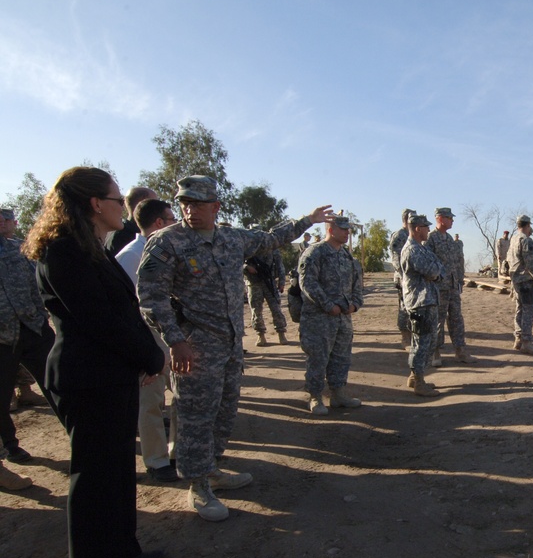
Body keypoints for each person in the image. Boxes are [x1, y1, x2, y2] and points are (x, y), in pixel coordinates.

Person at [138, 175, 334, 522]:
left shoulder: (231, 237)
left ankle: (211, 470)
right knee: (196, 416)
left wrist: (309, 219)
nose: (190, 210)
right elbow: (150, 298)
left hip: (230, 344)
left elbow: (272, 239)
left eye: (198, 203)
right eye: (185, 203)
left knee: (225, 412)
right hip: (195, 347)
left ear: (215, 206)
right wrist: (175, 340)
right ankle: (197, 487)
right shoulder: (167, 242)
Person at [25, 166, 166, 558]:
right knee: (94, 479)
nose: (122, 204)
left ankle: (123, 551)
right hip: (86, 377)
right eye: (116, 197)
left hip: (109, 374)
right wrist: (148, 356)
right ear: (94, 204)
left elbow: (125, 311)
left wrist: (144, 357)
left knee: (117, 469)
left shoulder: (92, 246)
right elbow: (99, 319)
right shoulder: (63, 250)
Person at [115, 198, 179, 483]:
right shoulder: (130, 257)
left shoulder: (171, 248)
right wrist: (142, 353)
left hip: (175, 334)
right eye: (171, 217)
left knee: (183, 397)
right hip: (149, 337)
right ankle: (156, 460)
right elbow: (126, 309)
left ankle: (179, 452)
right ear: (158, 223)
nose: (177, 221)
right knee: (151, 402)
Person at [0, 207, 57, 487]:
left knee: (58, 382)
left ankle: (81, 433)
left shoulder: (18, 248)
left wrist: (40, 315)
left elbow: (37, 281)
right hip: (2, 338)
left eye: (5, 217)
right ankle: (9, 448)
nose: (2, 222)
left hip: (33, 329)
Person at [299, 215, 364, 414]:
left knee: (341, 357)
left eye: (348, 229)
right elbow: (308, 283)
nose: (347, 233)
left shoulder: (346, 256)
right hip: (319, 318)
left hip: (343, 318)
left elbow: (357, 284)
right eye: (342, 229)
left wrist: (355, 304)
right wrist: (328, 305)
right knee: (318, 358)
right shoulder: (314, 253)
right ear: (330, 229)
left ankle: (338, 394)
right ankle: (315, 397)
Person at [425, 207, 476, 365]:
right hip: (438, 288)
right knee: (437, 321)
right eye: (449, 218)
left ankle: (460, 350)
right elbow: (427, 264)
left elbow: (457, 262)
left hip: (453, 287)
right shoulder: (430, 239)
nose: (452, 220)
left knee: (456, 319)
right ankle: (435, 352)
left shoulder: (449, 240)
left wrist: (460, 280)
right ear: (440, 218)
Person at [400, 214, 444, 396]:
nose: (428, 230)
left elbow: (439, 265)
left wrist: (436, 270)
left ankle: (415, 377)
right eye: (425, 227)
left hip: (427, 301)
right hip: (420, 303)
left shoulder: (421, 248)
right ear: (417, 228)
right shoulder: (413, 250)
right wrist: (435, 270)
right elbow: (434, 270)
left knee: (426, 341)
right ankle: (419, 382)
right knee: (422, 343)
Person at [243, 226, 288, 347]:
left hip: (269, 282)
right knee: (256, 310)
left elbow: (280, 266)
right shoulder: (246, 249)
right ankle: (260, 335)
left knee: (276, 309)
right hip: (253, 283)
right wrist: (246, 267)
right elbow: (235, 262)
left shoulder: (271, 248)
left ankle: (281, 333)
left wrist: (282, 282)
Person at [506, 214, 533, 354]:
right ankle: (526, 342)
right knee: (528, 310)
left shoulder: (514, 239)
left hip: (515, 279)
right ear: (527, 225)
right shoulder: (526, 240)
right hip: (526, 280)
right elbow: (531, 262)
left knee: (519, 309)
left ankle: (518, 339)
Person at [104, 186, 156, 256]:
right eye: (155, 202)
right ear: (143, 202)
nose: (158, 207)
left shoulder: (116, 231)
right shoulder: (124, 235)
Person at [391, 209, 417, 348]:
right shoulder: (399, 235)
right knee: (404, 307)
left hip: (415, 279)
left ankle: (413, 335)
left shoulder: (414, 234)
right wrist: (404, 276)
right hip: (403, 278)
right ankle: (405, 337)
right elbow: (396, 259)